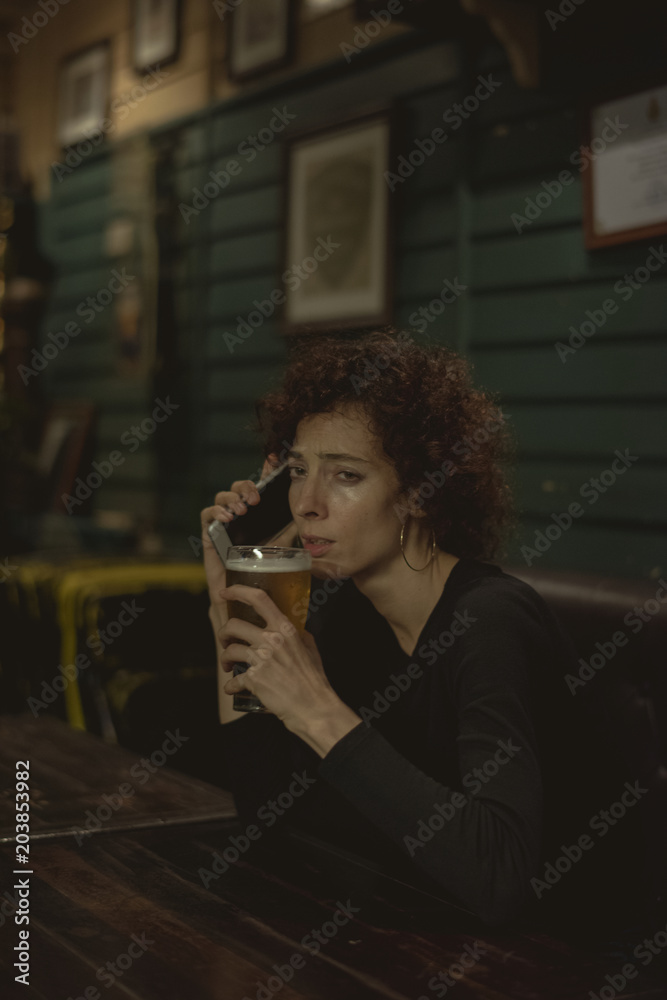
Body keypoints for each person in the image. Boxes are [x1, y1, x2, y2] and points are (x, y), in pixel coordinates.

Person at [199, 329, 627, 932]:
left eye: (345, 475)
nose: (306, 504)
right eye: (298, 470)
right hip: (415, 942)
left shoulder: (492, 622)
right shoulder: (344, 614)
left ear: (421, 493)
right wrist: (228, 610)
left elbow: (500, 879)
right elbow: (266, 808)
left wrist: (318, 710)